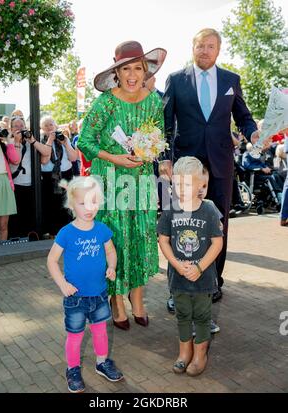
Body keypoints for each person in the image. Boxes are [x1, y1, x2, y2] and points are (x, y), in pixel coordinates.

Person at [161, 28, 258, 302]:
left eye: (211, 46)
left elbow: (244, 117)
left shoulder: (231, 80)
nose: (205, 50)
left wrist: (253, 133)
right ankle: (179, 287)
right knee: (181, 223)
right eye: (201, 45)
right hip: (186, 165)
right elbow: (166, 124)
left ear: (219, 50)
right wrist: (164, 158)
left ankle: (213, 281)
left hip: (220, 164)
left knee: (218, 223)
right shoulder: (176, 80)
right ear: (193, 47)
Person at [78, 40, 167, 330]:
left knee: (140, 237)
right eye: (125, 68)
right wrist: (113, 156)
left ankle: (138, 298)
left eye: (137, 68)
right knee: (115, 240)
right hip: (110, 180)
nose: (132, 75)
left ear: (145, 71)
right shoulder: (106, 102)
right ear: (116, 71)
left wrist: (146, 153)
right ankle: (116, 302)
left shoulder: (154, 101)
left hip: (140, 179)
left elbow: (158, 136)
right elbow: (85, 140)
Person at [47, 176, 123, 393]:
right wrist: (62, 284)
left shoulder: (101, 229)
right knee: (75, 335)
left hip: (99, 294)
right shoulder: (66, 233)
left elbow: (110, 251)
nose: (89, 208)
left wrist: (112, 267)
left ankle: (102, 362)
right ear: (72, 205)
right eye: (83, 203)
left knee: (100, 331)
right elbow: (51, 260)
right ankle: (72, 368)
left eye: (94, 202)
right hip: (75, 297)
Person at [158, 157, 223, 376]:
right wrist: (176, 264)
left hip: (202, 278)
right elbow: (164, 240)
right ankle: (184, 352)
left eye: (186, 185)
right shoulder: (170, 210)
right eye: (177, 184)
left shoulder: (209, 210)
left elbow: (217, 242)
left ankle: (200, 354)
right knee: (182, 314)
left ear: (200, 185)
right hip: (178, 277)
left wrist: (200, 267)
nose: (180, 189)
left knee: (202, 317)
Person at [8, 116, 52, 238]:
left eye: (22, 126)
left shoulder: (31, 141)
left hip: (33, 183)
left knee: (31, 213)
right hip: (16, 184)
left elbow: (46, 153)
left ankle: (32, 235)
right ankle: (17, 237)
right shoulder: (9, 143)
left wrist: (32, 141)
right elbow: (15, 160)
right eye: (16, 126)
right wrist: (17, 142)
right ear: (11, 129)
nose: (19, 128)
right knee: (17, 214)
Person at [40, 116, 78, 236]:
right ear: (42, 128)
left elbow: (73, 158)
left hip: (66, 174)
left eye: (51, 124)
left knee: (66, 203)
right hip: (49, 176)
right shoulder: (41, 141)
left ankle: (68, 230)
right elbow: (44, 161)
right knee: (52, 204)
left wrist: (66, 143)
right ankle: (53, 232)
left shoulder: (63, 138)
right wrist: (50, 140)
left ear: (56, 126)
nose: (49, 127)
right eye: (46, 125)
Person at [0, 120, 20, 246]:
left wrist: (10, 143)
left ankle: (3, 252)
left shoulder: (4, 146)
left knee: (3, 225)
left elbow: (16, 160)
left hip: (5, 184)